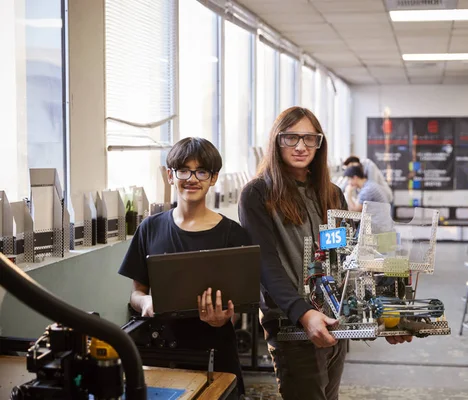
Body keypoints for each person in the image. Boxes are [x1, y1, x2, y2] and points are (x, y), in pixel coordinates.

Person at [238, 107, 412, 400]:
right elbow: (265, 265)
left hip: (335, 322)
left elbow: (347, 260)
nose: (301, 146)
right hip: (292, 326)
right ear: (276, 141)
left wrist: (384, 314)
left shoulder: (331, 193)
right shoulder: (258, 194)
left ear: (320, 144)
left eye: (309, 138)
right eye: (291, 138)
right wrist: (303, 313)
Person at [118, 137, 249, 397]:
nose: (192, 178)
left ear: (213, 178)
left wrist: (223, 319)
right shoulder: (150, 228)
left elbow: (240, 304)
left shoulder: (233, 235)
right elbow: (137, 292)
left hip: (216, 351)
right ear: (170, 175)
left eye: (201, 171)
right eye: (184, 170)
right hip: (162, 352)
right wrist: (145, 303)